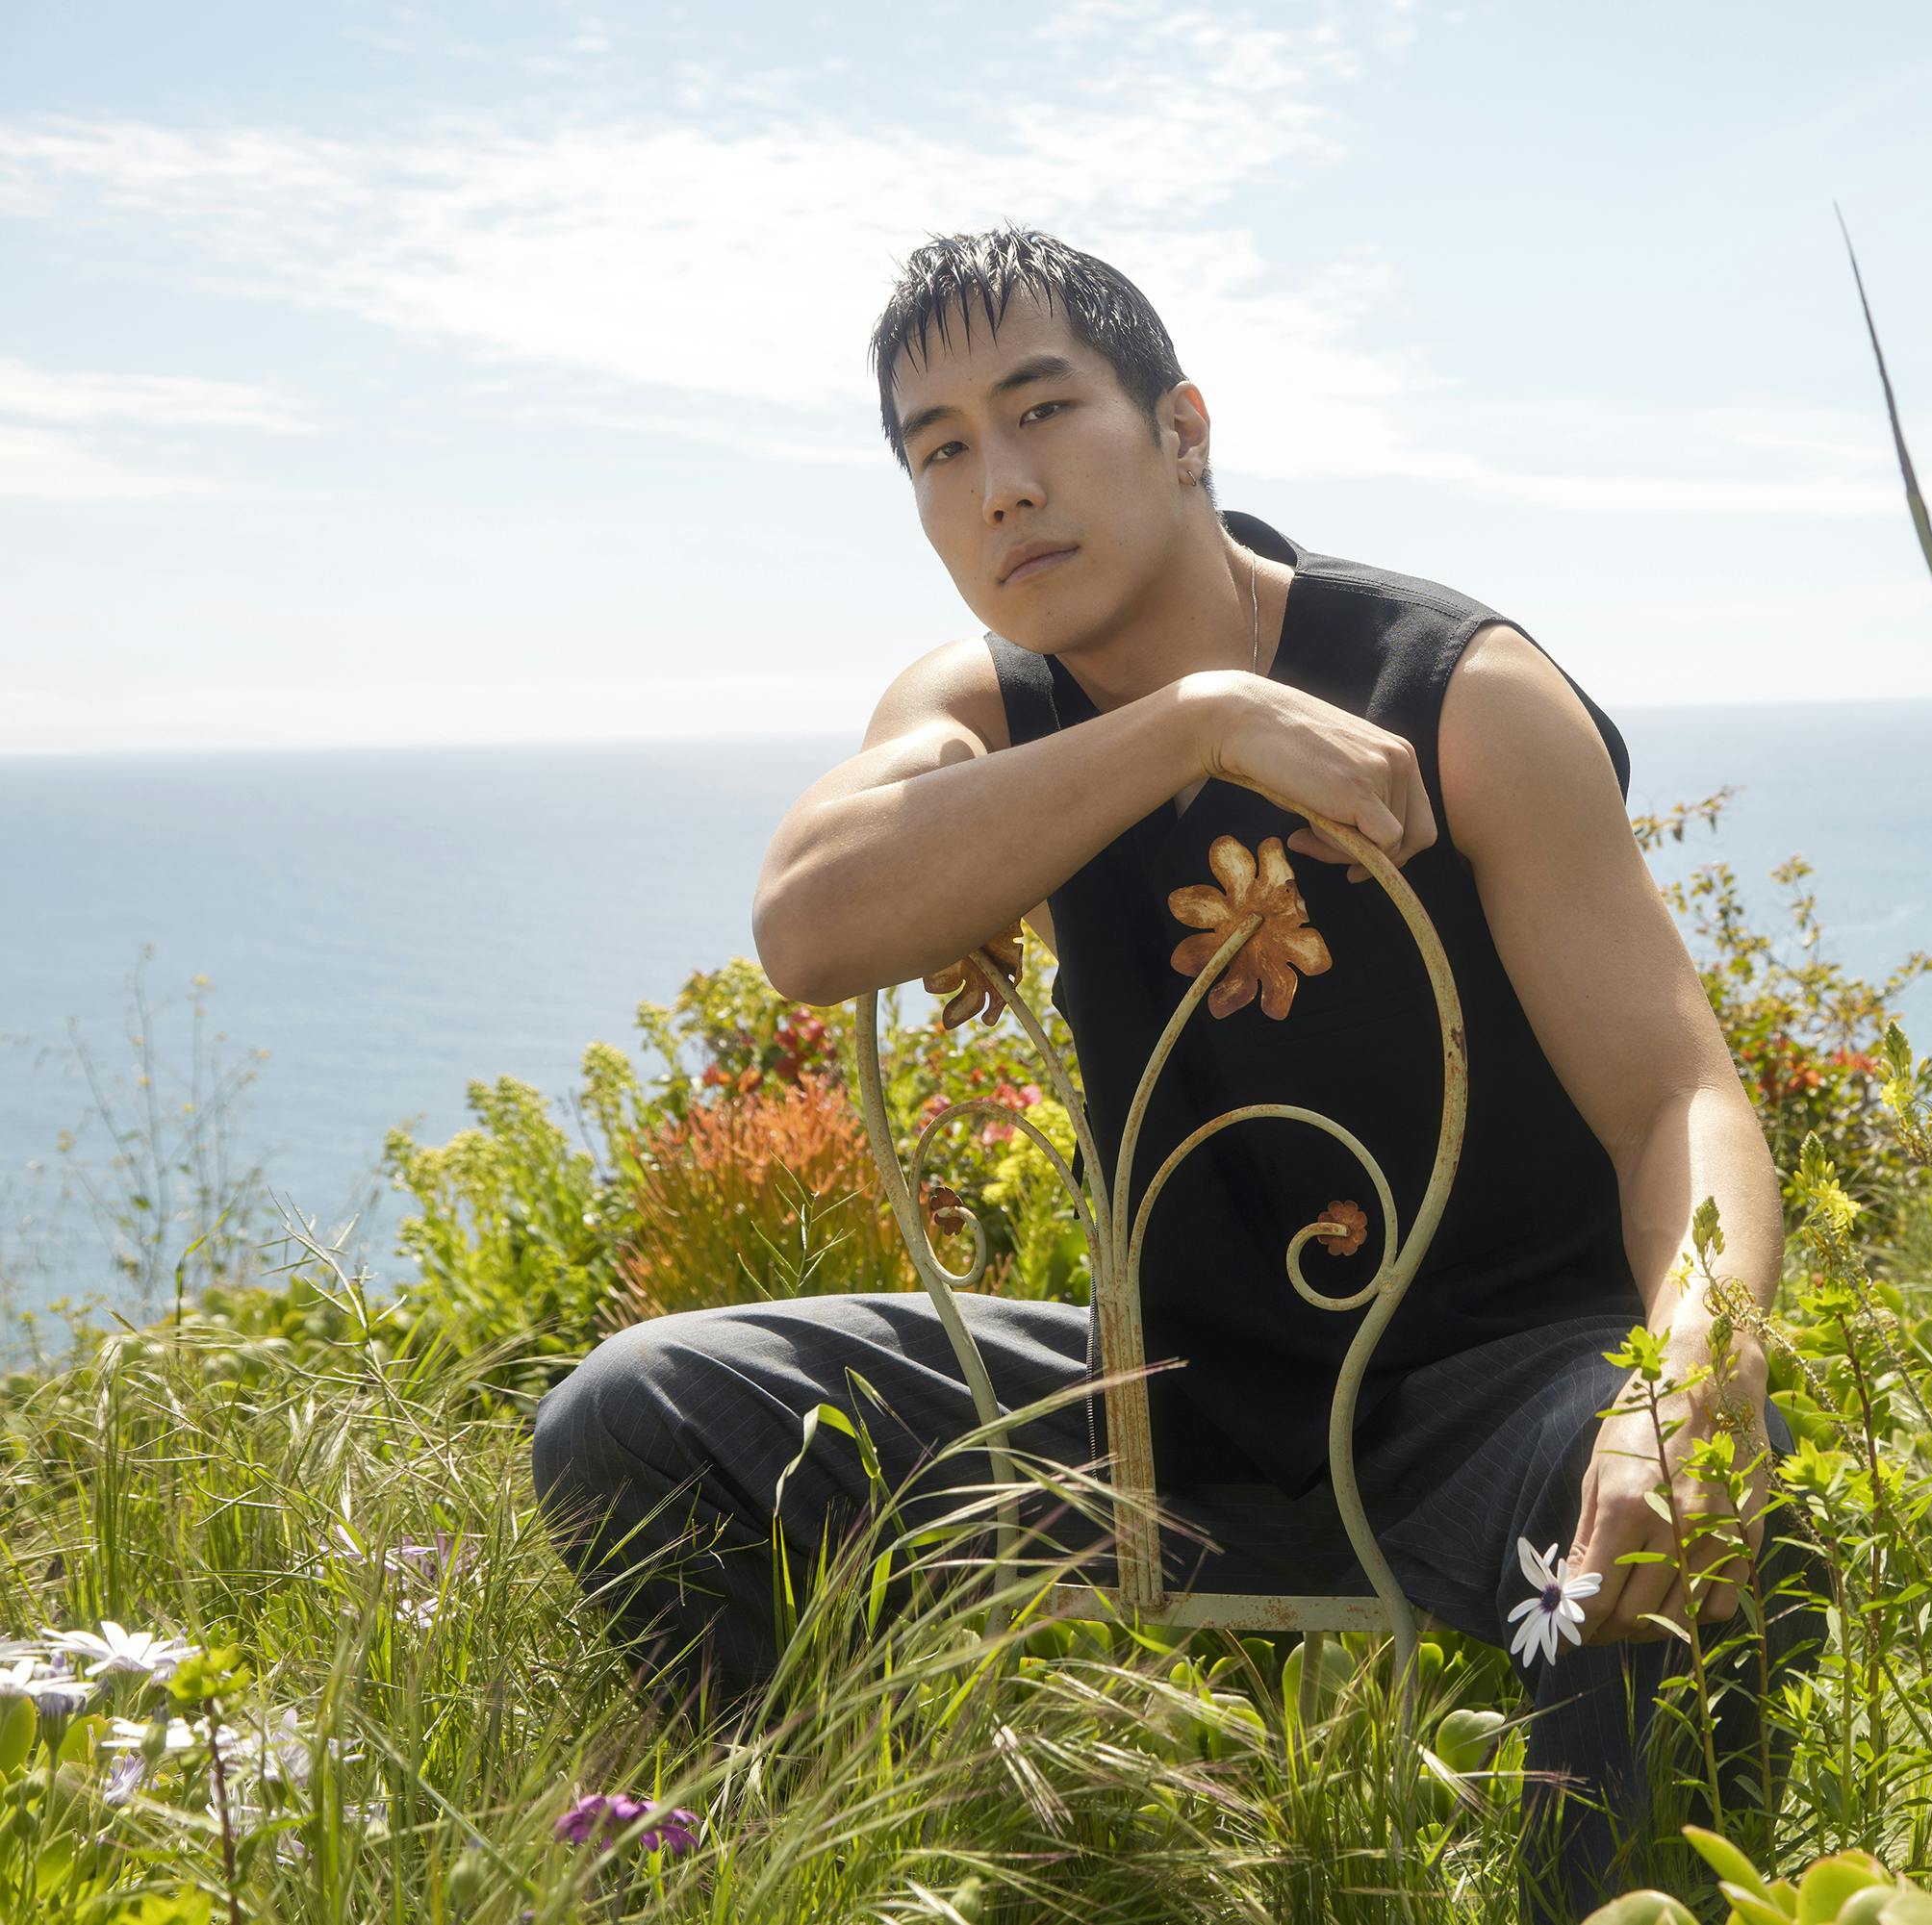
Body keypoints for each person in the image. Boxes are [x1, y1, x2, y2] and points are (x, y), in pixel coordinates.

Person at [527, 224, 1828, 1919]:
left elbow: (1682, 1099)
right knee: (631, 1418)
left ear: (1184, 428)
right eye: (940, 451)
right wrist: (1191, 726)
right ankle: (772, 1875)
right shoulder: (989, 703)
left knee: (1709, 1524)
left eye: (1042, 410)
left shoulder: (1458, 693)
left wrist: (1690, 1381)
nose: (999, 484)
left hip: (1488, 1400)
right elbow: (807, 918)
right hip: (1161, 1418)